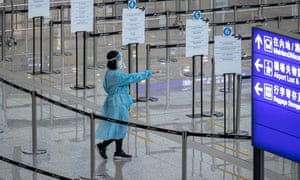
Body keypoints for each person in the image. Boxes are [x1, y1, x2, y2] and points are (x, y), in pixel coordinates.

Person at [96, 50, 152, 160]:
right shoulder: (116, 74)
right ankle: (103, 145)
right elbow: (131, 77)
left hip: (114, 101)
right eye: (119, 59)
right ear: (115, 61)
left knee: (118, 126)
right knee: (120, 126)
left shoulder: (109, 72)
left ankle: (118, 151)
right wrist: (146, 74)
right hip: (119, 103)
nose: (121, 61)